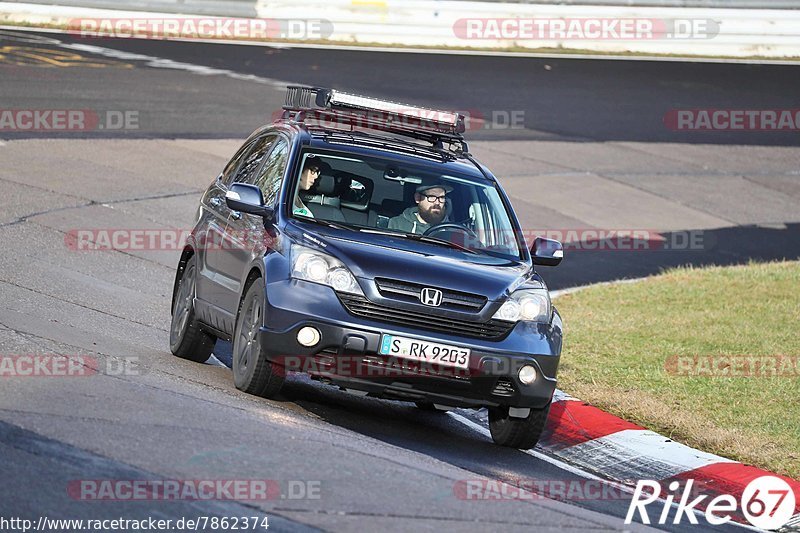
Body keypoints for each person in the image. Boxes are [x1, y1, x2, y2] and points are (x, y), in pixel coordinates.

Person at [388, 182, 452, 234]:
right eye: (432, 197)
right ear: (417, 198)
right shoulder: (397, 224)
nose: (437, 202)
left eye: (441, 198)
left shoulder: (452, 231)